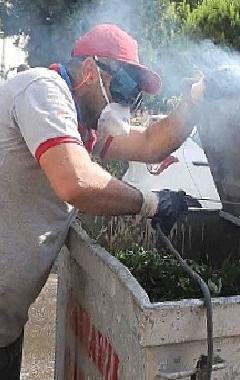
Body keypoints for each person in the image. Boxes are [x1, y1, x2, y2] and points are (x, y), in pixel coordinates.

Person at [0, 24, 204, 378]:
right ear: (91, 71)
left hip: (6, 325)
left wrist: (194, 102)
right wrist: (150, 202)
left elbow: (152, 143)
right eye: (123, 88)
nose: (127, 103)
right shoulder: (43, 91)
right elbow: (75, 181)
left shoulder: (82, 127)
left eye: (135, 95)